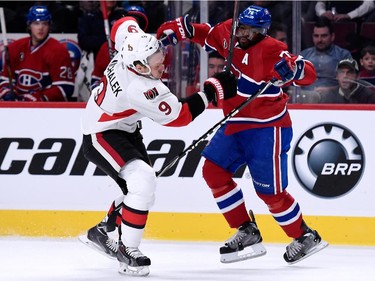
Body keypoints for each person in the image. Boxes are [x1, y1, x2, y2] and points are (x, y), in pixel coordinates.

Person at [156, 5, 328, 265]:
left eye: (249, 30)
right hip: (234, 123)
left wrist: (293, 70)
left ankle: (305, 236)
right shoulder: (229, 30)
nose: (242, 33)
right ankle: (246, 230)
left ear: (262, 31)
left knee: (271, 194)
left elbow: (308, 73)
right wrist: (184, 30)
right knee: (213, 172)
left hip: (267, 128)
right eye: (241, 27)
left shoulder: (273, 50)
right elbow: (207, 35)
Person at [79, 16, 236, 276]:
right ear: (139, 67)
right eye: (155, 63)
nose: (162, 64)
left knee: (140, 188)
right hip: (102, 132)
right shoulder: (141, 88)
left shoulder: (131, 42)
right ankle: (128, 251)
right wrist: (212, 90)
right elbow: (179, 116)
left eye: (160, 56)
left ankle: (102, 231)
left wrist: (149, 28)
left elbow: (124, 23)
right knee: (142, 181)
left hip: (122, 126)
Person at [0, 5, 74, 101]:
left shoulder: (58, 51)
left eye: (45, 24)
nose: (41, 28)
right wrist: (7, 92)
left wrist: (38, 98)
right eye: (36, 23)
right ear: (29, 25)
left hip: (45, 109)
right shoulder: (15, 47)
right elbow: (5, 79)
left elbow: (65, 87)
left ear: (50, 26)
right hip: (18, 106)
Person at [90, 5, 149, 90]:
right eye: (129, 20)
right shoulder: (107, 47)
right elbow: (95, 79)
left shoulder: (149, 48)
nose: (131, 26)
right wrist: (103, 92)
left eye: (136, 22)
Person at [300, 16, 352, 97]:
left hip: (334, 99)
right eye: (316, 36)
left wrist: (331, 90)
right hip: (305, 98)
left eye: (324, 36)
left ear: (332, 37)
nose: (319, 40)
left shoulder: (343, 55)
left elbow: (350, 84)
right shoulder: (303, 55)